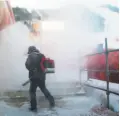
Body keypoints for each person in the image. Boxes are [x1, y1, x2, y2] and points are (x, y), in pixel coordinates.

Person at [25, 46, 55, 112]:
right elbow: (44, 66)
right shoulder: (41, 55)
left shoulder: (31, 56)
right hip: (42, 76)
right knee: (44, 89)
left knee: (32, 92)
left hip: (34, 77)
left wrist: (31, 69)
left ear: (30, 51)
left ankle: (33, 107)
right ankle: (52, 101)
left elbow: (27, 65)